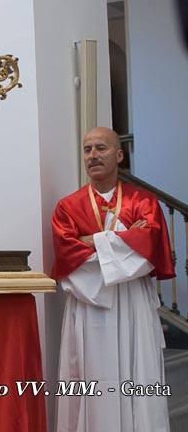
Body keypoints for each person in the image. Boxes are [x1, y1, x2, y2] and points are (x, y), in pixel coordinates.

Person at [51, 127, 174, 432]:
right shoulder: (68, 208)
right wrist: (122, 238)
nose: (92, 155)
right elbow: (70, 257)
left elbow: (148, 249)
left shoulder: (144, 202)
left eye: (101, 148)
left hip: (133, 302)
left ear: (119, 155)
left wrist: (93, 239)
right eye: (87, 149)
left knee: (137, 372)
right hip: (89, 304)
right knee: (91, 375)